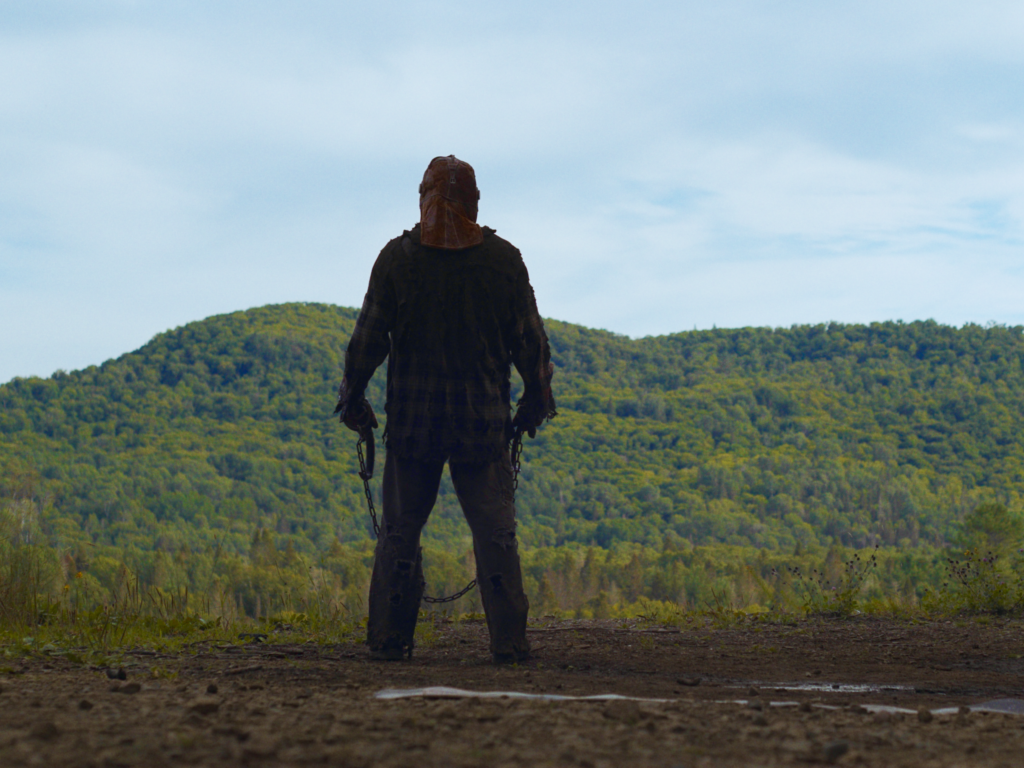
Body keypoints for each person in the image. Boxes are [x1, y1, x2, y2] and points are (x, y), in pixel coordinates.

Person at [334, 155, 556, 664]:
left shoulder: (397, 260)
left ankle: (390, 639)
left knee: (399, 532)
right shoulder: (503, 262)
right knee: (495, 533)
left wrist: (353, 399)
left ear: (424, 197)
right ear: (474, 202)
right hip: (482, 427)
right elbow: (530, 344)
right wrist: (536, 402)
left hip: (413, 427)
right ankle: (509, 642)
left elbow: (366, 339)